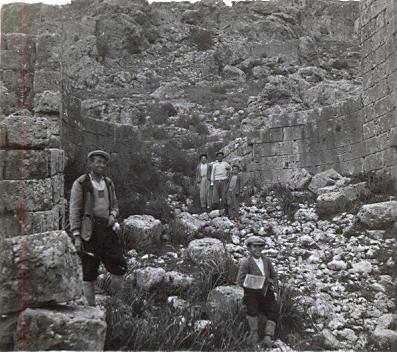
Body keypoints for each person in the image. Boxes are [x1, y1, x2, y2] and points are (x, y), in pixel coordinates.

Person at [69, 150, 127, 306]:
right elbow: (74, 210)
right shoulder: (81, 183)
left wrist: (112, 216)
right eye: (98, 162)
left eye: (103, 162)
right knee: (89, 271)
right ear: (90, 163)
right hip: (89, 231)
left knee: (119, 266)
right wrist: (76, 235)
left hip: (107, 229)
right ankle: (91, 307)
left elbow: (114, 204)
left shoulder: (108, 182)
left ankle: (116, 304)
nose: (101, 165)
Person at [236, 236, 279, 348]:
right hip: (252, 293)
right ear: (249, 248)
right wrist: (253, 282)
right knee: (252, 310)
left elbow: (274, 275)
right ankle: (253, 336)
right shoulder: (246, 262)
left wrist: (274, 287)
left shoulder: (267, 260)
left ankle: (268, 337)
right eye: (255, 246)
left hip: (266, 292)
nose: (258, 249)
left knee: (273, 309)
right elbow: (240, 280)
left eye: (260, 247)